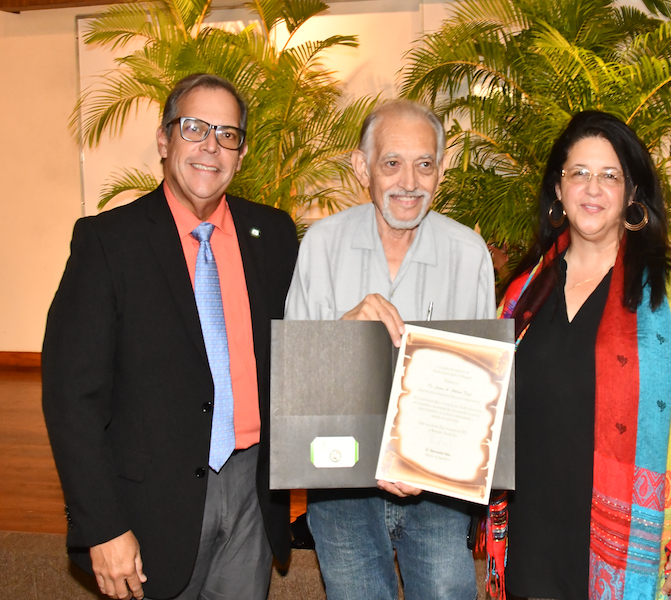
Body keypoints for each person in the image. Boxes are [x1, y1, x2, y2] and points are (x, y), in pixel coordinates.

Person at [42, 73, 298, 600]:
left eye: (227, 134)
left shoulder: (272, 234)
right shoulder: (108, 243)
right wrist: (103, 525)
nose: (211, 146)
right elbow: (71, 397)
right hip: (152, 501)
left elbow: (297, 350)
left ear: (241, 152)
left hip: (252, 489)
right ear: (164, 140)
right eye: (194, 127)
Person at [491, 111, 671, 600]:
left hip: (632, 540)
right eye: (579, 173)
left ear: (632, 194)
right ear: (558, 190)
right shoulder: (524, 289)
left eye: (610, 176)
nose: (592, 189)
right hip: (534, 528)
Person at [284, 99, 495, 600]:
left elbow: (483, 392)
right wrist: (342, 334)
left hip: (440, 486)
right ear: (363, 167)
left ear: (441, 170)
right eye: (391, 163)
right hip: (341, 483)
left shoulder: (469, 254)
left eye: (424, 164)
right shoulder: (321, 244)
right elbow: (294, 383)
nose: (409, 182)